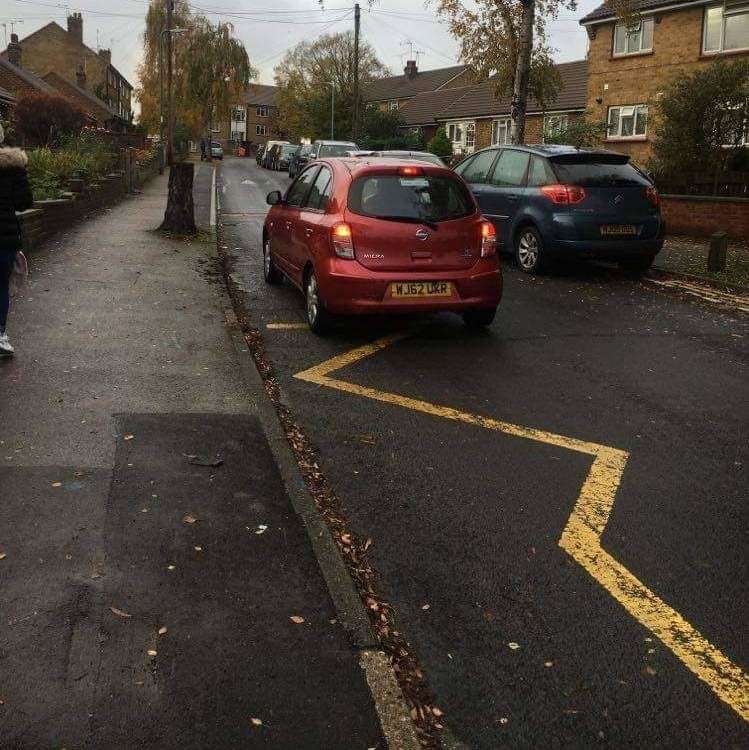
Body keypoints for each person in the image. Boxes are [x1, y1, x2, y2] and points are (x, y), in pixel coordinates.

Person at [0, 123, 33, 358]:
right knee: (1, 286)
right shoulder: (13, 166)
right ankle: (0, 336)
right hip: (4, 237)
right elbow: (24, 203)